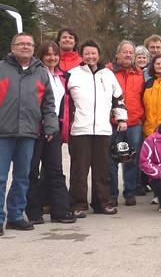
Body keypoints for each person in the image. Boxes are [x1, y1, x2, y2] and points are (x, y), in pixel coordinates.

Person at [0, 33, 58, 234]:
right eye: (21, 44)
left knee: (22, 176)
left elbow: (49, 104)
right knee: (0, 177)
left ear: (34, 48)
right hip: (3, 133)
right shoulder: (1, 68)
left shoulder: (41, 72)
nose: (25, 47)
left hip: (28, 133)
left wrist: (50, 126)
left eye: (29, 44)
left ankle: (15, 216)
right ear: (13, 46)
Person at [67, 39, 127, 217]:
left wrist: (121, 118)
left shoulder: (108, 75)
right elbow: (65, 102)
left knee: (102, 169)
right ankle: (78, 204)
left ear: (99, 55)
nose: (90, 56)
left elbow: (118, 99)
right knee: (79, 169)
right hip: (79, 130)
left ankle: (101, 203)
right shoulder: (73, 74)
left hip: (103, 130)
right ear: (81, 55)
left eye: (93, 53)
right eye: (87, 53)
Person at [25, 41, 76, 225]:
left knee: (55, 170)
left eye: (55, 54)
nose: (52, 58)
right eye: (47, 54)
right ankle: (34, 212)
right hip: (35, 128)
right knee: (32, 171)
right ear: (41, 56)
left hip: (53, 129)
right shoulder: (36, 73)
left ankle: (60, 211)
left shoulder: (62, 76)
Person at [106, 41, 146, 207]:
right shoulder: (107, 71)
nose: (128, 55)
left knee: (131, 159)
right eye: (125, 52)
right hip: (112, 122)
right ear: (117, 54)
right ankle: (112, 194)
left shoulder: (139, 73)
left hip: (134, 122)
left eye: (131, 52)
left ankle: (129, 192)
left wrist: (142, 117)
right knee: (111, 160)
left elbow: (143, 96)